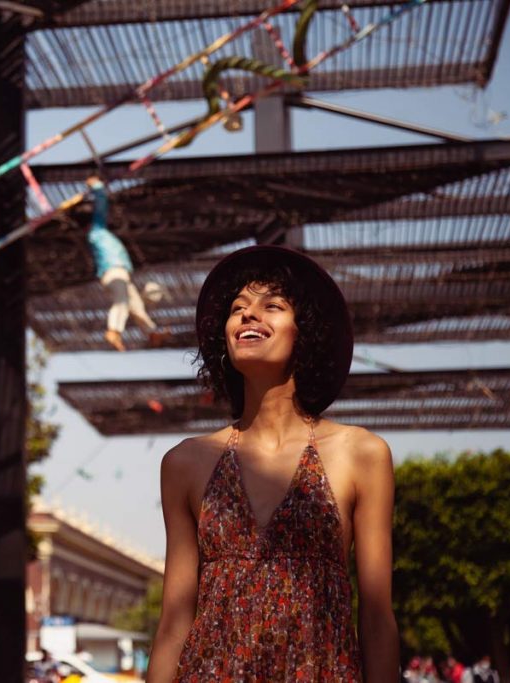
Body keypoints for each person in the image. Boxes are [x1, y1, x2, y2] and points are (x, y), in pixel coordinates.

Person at [146, 246, 398, 681]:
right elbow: (173, 622)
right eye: (238, 308)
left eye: (272, 306)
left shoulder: (362, 454)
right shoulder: (185, 463)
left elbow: (376, 617)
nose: (248, 315)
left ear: (306, 332)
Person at [84, 175, 169, 352]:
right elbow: (101, 208)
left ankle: (151, 332)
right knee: (121, 300)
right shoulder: (97, 232)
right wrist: (98, 188)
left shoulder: (102, 234)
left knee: (136, 306)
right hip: (113, 272)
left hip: (121, 274)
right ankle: (114, 330)